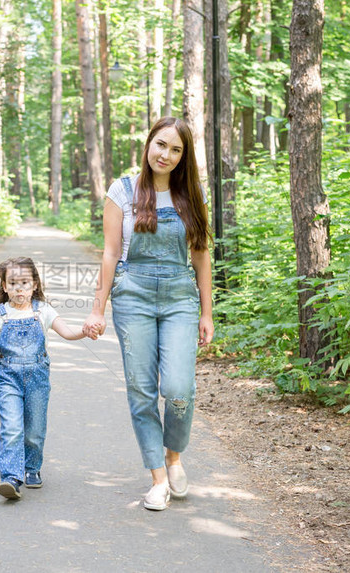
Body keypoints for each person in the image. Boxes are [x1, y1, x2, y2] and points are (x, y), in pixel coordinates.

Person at [83, 116, 214, 511]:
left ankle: (174, 455)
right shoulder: (122, 191)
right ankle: (157, 478)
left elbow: (201, 256)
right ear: (148, 144)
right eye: (161, 145)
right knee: (141, 391)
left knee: (178, 390)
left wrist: (207, 313)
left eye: (176, 150)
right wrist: (97, 309)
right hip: (133, 295)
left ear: (183, 156)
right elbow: (109, 253)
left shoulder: (191, 195)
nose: (166, 155)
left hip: (179, 297)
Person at [0, 257, 87, 500]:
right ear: (4, 286)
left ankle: (32, 468)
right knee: (12, 427)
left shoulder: (43, 310)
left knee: (34, 430)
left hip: (37, 378)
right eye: (13, 283)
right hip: (8, 378)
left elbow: (66, 331)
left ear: (35, 284)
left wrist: (84, 331)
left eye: (25, 282)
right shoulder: (0, 315)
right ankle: (11, 477)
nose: (19, 288)